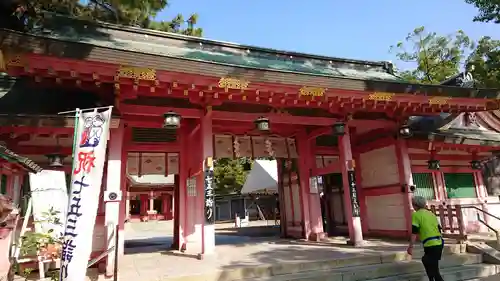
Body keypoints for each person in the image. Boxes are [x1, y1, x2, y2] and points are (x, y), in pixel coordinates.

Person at [407, 196, 444, 281]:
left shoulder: (416, 215)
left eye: (413, 204)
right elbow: (438, 228)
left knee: (433, 269)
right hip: (438, 243)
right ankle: (431, 279)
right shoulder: (431, 214)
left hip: (431, 245)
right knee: (429, 263)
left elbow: (414, 232)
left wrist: (410, 247)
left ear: (415, 205)